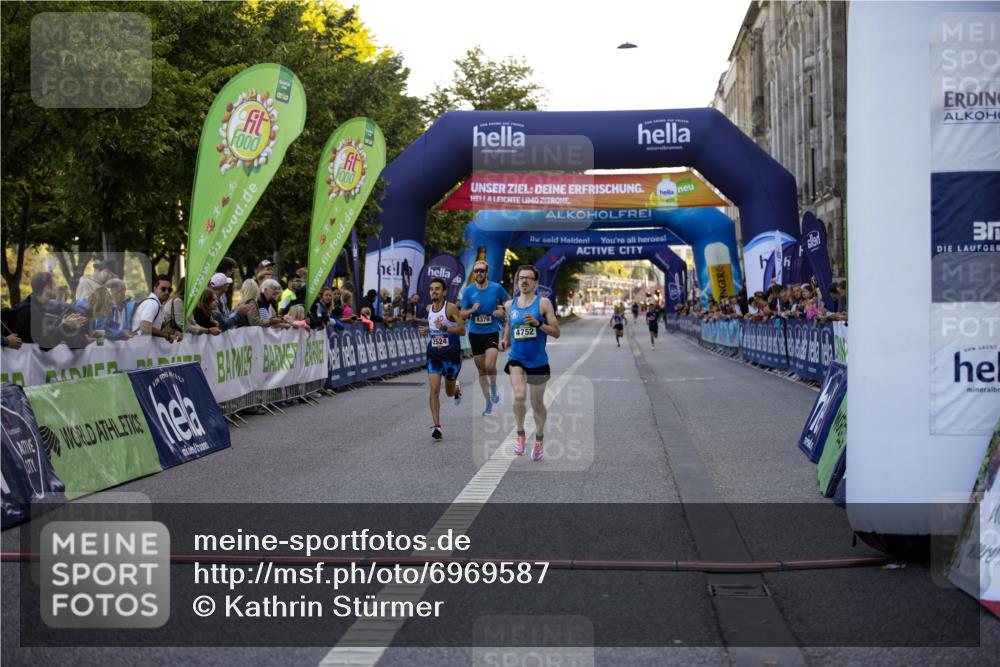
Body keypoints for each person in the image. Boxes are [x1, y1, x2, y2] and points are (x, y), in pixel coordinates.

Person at [500, 265, 560, 461]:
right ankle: (520, 435)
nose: (524, 281)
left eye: (528, 278)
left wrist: (538, 324)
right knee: (519, 395)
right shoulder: (510, 305)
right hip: (516, 358)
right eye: (521, 278)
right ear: (517, 282)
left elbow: (556, 332)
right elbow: (509, 323)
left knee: (537, 404)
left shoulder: (543, 304)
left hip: (538, 361)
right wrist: (505, 340)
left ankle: (539, 438)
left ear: (536, 283)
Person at [416, 277, 466, 441]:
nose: (434, 291)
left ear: (444, 292)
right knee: (434, 389)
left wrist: (445, 327)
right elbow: (434, 331)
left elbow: (462, 331)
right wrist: (426, 332)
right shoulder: (430, 309)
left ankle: (456, 389)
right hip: (434, 356)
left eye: (437, 289)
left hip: (451, 357)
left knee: (449, 392)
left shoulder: (451, 308)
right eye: (431, 289)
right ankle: (437, 426)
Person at [459, 259, 509, 416]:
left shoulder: (496, 288)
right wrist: (471, 310)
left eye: (481, 270)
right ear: (473, 273)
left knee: (489, 366)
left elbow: (508, 302)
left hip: (492, 331)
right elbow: (461, 313)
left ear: (486, 272)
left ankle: (494, 386)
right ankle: (488, 402)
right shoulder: (468, 291)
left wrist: (501, 310)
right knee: (481, 371)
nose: (479, 273)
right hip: (475, 334)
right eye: (476, 271)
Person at [2, 271, 88, 348]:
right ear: (47, 288)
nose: (56, 288)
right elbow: (45, 344)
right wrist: (65, 325)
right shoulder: (31, 311)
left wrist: (65, 324)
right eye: (54, 285)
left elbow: (47, 335)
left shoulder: (35, 306)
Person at [131, 275, 182, 341]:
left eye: (169, 290)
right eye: (163, 289)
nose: (167, 292)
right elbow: (145, 328)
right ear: (155, 288)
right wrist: (167, 336)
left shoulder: (157, 303)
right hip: (138, 345)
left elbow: (158, 325)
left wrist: (174, 332)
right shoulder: (153, 303)